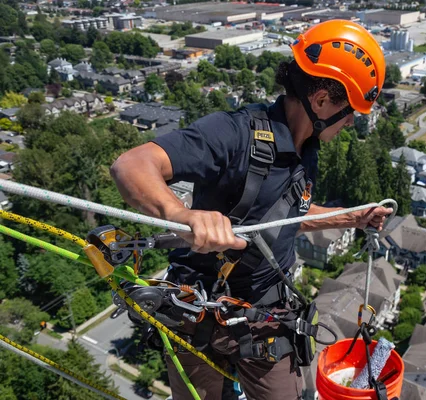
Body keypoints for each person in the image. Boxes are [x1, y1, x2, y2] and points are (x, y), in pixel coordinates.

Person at [111, 19, 388, 400]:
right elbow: (131, 165)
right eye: (350, 110)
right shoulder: (235, 132)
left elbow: (283, 218)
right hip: (198, 310)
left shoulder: (307, 150)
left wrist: (352, 217)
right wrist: (181, 216)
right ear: (322, 100)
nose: (351, 121)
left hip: (264, 317)